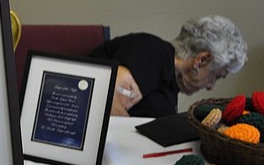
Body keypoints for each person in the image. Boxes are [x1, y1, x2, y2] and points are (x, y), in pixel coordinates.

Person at [89, 15, 247, 118]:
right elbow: (110, 102)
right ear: (201, 60)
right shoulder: (152, 50)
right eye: (216, 76)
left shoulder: (171, 82)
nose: (211, 86)